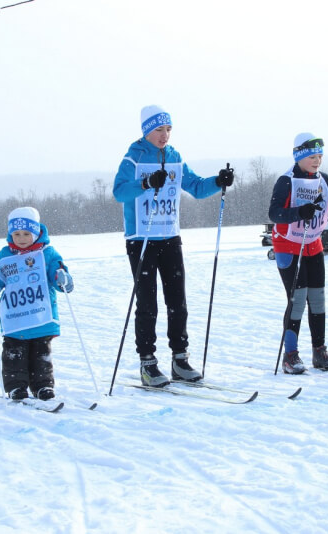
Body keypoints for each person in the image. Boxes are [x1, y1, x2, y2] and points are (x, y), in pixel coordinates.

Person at [112, 105, 235, 387]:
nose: (164, 135)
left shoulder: (174, 156)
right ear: (146, 131)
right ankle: (148, 362)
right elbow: (119, 192)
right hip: (141, 238)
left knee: (177, 301)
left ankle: (180, 359)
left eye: (168, 129)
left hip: (169, 235)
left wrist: (218, 181)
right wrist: (145, 183)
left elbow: (195, 186)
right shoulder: (133, 158)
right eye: (159, 130)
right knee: (147, 303)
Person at [268, 133, 328, 374]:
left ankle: (319, 351)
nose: (317, 161)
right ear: (299, 157)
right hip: (289, 247)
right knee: (298, 300)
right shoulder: (286, 180)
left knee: (318, 299)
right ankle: (290, 355)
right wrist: (299, 212)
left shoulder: (323, 180)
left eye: (320, 156)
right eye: (312, 156)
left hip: (314, 246)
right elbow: (274, 214)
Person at [0, 207, 73, 401]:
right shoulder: (5, 256)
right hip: (16, 317)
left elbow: (57, 272)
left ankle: (43, 386)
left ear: (36, 232)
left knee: (41, 354)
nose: (21, 238)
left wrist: (61, 278)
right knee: (14, 353)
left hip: (41, 315)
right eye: (16, 234)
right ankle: (16, 387)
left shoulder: (47, 253)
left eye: (26, 234)